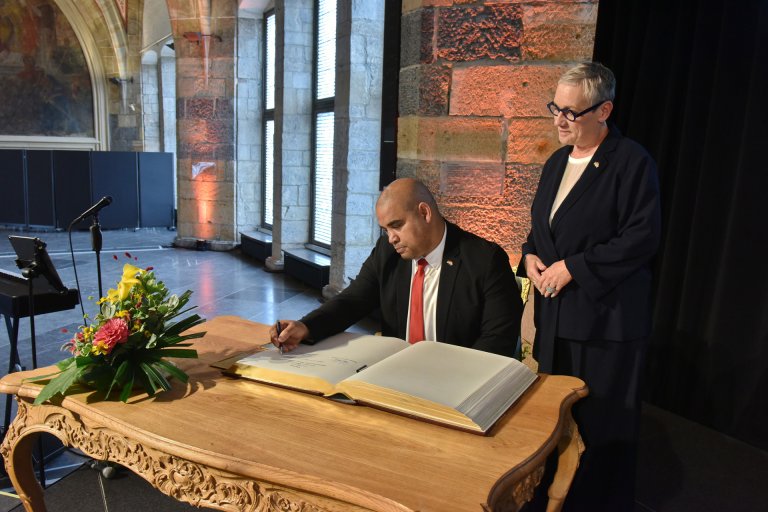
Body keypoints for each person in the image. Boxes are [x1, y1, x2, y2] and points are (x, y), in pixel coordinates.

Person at [517, 62, 661, 511]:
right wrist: (529, 255)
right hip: (558, 318)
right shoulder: (556, 162)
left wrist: (574, 268)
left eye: (571, 112)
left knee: (600, 427)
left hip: (605, 324)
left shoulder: (631, 161)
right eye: (555, 108)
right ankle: (551, 496)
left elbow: (642, 238)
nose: (559, 120)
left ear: (605, 110)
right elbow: (543, 229)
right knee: (555, 419)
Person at [271, 177, 523, 357]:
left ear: (424, 213)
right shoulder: (386, 252)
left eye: (397, 225)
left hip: (460, 384)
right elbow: (352, 301)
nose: (391, 238)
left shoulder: (485, 260)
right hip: (397, 376)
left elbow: (497, 342)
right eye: (386, 229)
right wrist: (306, 327)